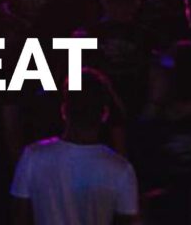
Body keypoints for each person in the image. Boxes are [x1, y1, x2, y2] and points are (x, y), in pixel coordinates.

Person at [9, 89, 138, 225]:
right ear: (104, 114)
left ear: (64, 111)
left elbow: (18, 216)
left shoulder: (33, 156)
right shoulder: (121, 169)